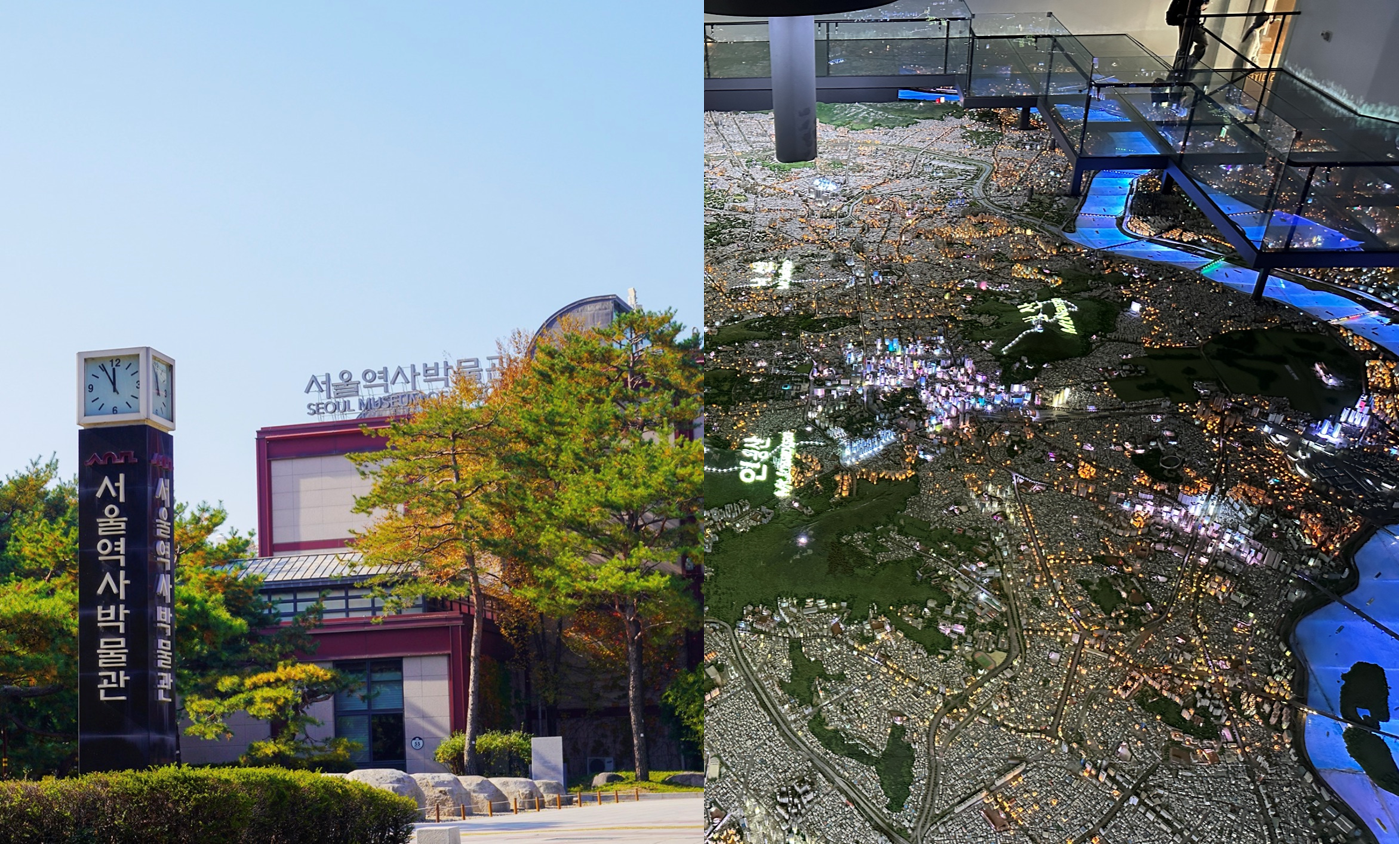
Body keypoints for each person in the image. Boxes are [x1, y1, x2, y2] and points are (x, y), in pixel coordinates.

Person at [1167, 0, 1209, 80]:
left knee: (1184, 48)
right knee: (1199, 44)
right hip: (1188, 22)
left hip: (1186, 21)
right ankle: (1182, 67)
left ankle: (1177, 71)